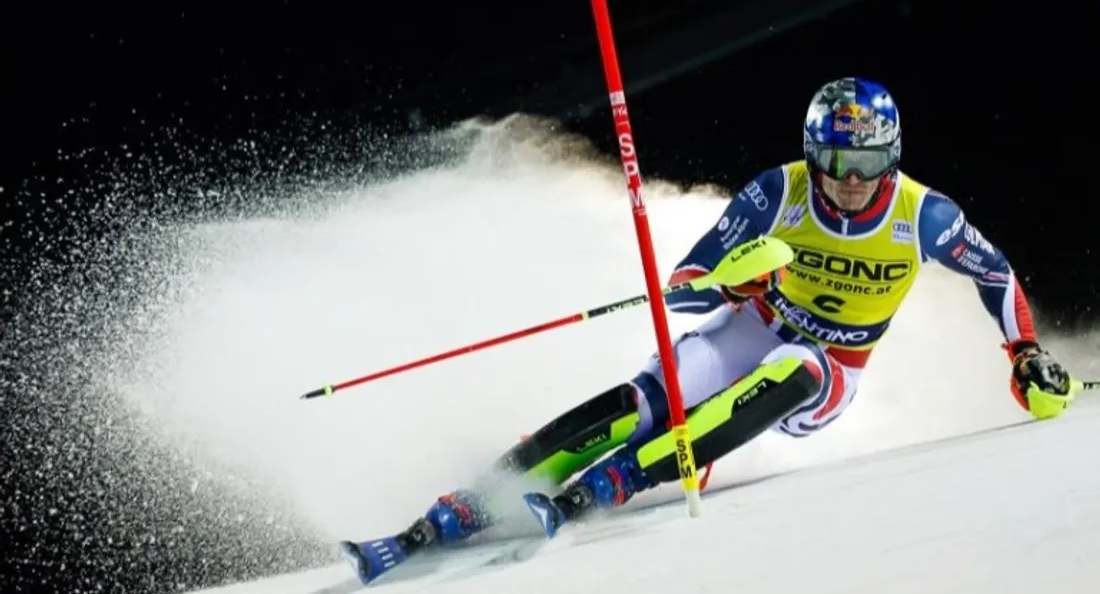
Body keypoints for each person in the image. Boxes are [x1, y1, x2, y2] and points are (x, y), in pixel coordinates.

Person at [340, 77, 1081, 584]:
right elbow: (687, 284)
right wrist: (733, 280)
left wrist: (1024, 351)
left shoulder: (922, 215)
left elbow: (997, 274)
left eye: (868, 162)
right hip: (753, 324)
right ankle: (466, 503)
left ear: (892, 156)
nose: (852, 179)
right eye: (836, 161)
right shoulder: (778, 191)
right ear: (813, 153)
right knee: (642, 400)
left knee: (798, 367)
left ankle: (624, 476)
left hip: (832, 366)